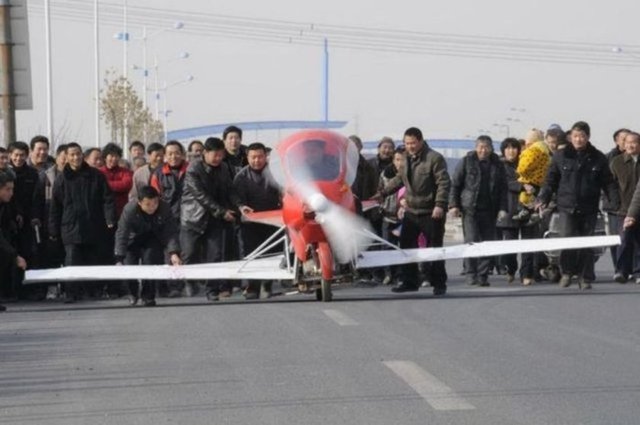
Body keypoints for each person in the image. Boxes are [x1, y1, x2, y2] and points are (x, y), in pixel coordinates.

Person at [537, 121, 620, 290]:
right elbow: (550, 180)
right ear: (570, 137)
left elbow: (608, 182)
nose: (578, 139)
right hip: (566, 207)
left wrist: (614, 201)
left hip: (589, 207)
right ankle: (567, 273)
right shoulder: (561, 156)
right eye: (575, 136)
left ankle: (585, 276)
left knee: (586, 243)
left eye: (582, 136)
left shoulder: (598, 157)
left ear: (588, 137)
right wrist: (543, 198)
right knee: (567, 240)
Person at [378, 127, 450, 296]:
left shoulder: (434, 158)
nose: (410, 146)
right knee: (406, 246)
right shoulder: (405, 159)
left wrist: (440, 204)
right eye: (407, 143)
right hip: (411, 211)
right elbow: (399, 180)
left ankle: (439, 283)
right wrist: (382, 193)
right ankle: (409, 282)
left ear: (421, 141)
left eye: (413, 143)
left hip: (431, 212)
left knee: (435, 249)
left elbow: (443, 183)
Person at [49, 143, 116, 302]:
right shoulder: (61, 179)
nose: (76, 157)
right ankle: (71, 293)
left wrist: (110, 218)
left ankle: (92, 291)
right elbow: (55, 207)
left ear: (82, 155)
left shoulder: (96, 176)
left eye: (78, 154)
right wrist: (53, 230)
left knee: (92, 260)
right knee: (72, 260)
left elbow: (107, 199)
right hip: (70, 227)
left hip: (93, 226)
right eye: (72, 154)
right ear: (66, 157)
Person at [180, 137, 238, 301]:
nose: (218, 158)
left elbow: (230, 190)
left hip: (214, 219)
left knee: (215, 255)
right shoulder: (193, 169)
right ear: (205, 153)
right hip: (193, 218)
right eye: (215, 155)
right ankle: (190, 281)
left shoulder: (224, 168)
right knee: (190, 254)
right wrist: (222, 212)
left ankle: (212, 289)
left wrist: (239, 206)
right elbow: (201, 196)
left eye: (221, 155)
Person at [449, 136, 507, 287]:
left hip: (490, 210)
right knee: (471, 241)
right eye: (481, 147)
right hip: (470, 209)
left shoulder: (498, 164)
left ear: (491, 148)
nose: (483, 150)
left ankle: (483, 275)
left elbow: (503, 188)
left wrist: (503, 208)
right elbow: (455, 184)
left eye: (487, 147)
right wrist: (454, 205)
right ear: (476, 147)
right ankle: (471, 273)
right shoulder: (466, 161)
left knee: (487, 243)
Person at [115, 186, 182, 307]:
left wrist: (174, 253)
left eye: (155, 203)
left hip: (153, 238)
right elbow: (122, 233)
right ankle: (133, 293)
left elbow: (171, 232)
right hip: (132, 239)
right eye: (148, 204)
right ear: (139, 202)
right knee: (129, 265)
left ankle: (148, 296)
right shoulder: (129, 209)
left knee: (151, 262)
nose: (152, 207)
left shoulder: (164, 208)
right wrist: (119, 257)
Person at [234, 143, 282, 299]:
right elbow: (236, 199)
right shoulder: (241, 177)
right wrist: (241, 207)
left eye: (260, 157)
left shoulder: (276, 172)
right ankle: (252, 286)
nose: (257, 160)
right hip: (251, 223)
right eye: (253, 157)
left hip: (273, 222)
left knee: (273, 253)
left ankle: (267, 285)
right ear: (247, 158)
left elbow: (285, 192)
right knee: (251, 254)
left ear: (265, 157)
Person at [32, 144, 67, 299]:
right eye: (63, 157)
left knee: (69, 257)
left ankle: (67, 288)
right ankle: (52, 287)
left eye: (69, 157)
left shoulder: (76, 176)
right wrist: (36, 217)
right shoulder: (46, 176)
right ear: (57, 157)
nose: (66, 160)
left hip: (70, 222)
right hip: (49, 221)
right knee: (51, 256)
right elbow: (37, 200)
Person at [8, 141, 39, 298]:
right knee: (10, 253)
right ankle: (11, 291)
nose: (18, 158)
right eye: (16, 155)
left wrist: (34, 217)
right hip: (9, 219)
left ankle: (27, 290)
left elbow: (36, 198)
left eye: (22, 155)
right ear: (10, 155)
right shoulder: (5, 173)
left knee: (28, 253)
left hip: (27, 221)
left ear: (27, 156)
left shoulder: (32, 174)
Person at [610, 131, 640, 283]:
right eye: (628, 142)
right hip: (623, 208)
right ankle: (621, 271)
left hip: (638, 207)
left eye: (634, 142)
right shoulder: (616, 162)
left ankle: (638, 272)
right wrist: (616, 203)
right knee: (624, 239)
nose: (631, 145)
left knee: (638, 241)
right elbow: (611, 185)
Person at [604, 128, 632, 267]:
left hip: (631, 205)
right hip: (615, 207)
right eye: (624, 139)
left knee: (631, 238)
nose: (627, 142)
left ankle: (633, 269)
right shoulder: (609, 158)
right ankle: (619, 268)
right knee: (617, 238)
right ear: (617, 141)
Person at [0, 170, 27, 310]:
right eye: (7, 189)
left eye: (12, 189)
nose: (11, 193)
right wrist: (15, 255)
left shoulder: (4, 206)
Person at [379, 147, 405, 285]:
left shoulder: (410, 173)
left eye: (402, 160)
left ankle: (401, 275)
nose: (399, 163)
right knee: (387, 246)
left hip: (405, 217)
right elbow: (380, 190)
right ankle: (388, 274)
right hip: (388, 215)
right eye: (397, 159)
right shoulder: (385, 174)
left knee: (402, 247)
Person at [513, 129, 551, 224]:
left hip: (530, 178)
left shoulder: (533, 151)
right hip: (540, 180)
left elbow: (524, 167)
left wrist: (519, 169)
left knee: (525, 197)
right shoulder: (546, 151)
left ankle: (527, 211)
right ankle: (533, 213)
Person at [150, 141, 188, 221]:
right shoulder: (158, 173)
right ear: (165, 156)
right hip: (167, 217)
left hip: (190, 217)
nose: (173, 157)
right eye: (170, 154)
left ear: (182, 154)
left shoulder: (191, 170)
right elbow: (154, 197)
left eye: (177, 153)